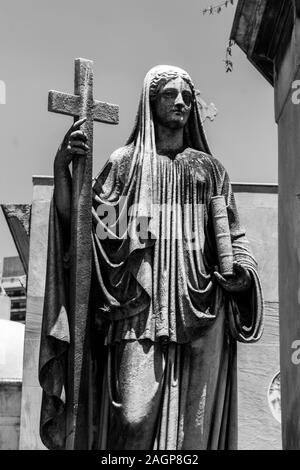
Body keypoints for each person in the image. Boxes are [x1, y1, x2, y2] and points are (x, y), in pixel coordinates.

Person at [39, 65, 263, 450]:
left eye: (188, 98)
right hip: (138, 309)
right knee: (132, 419)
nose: (181, 102)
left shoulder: (208, 170)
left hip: (203, 307)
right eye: (170, 95)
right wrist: (63, 171)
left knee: (193, 435)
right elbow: (90, 231)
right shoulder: (126, 166)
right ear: (150, 101)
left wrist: (243, 274)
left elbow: (234, 239)